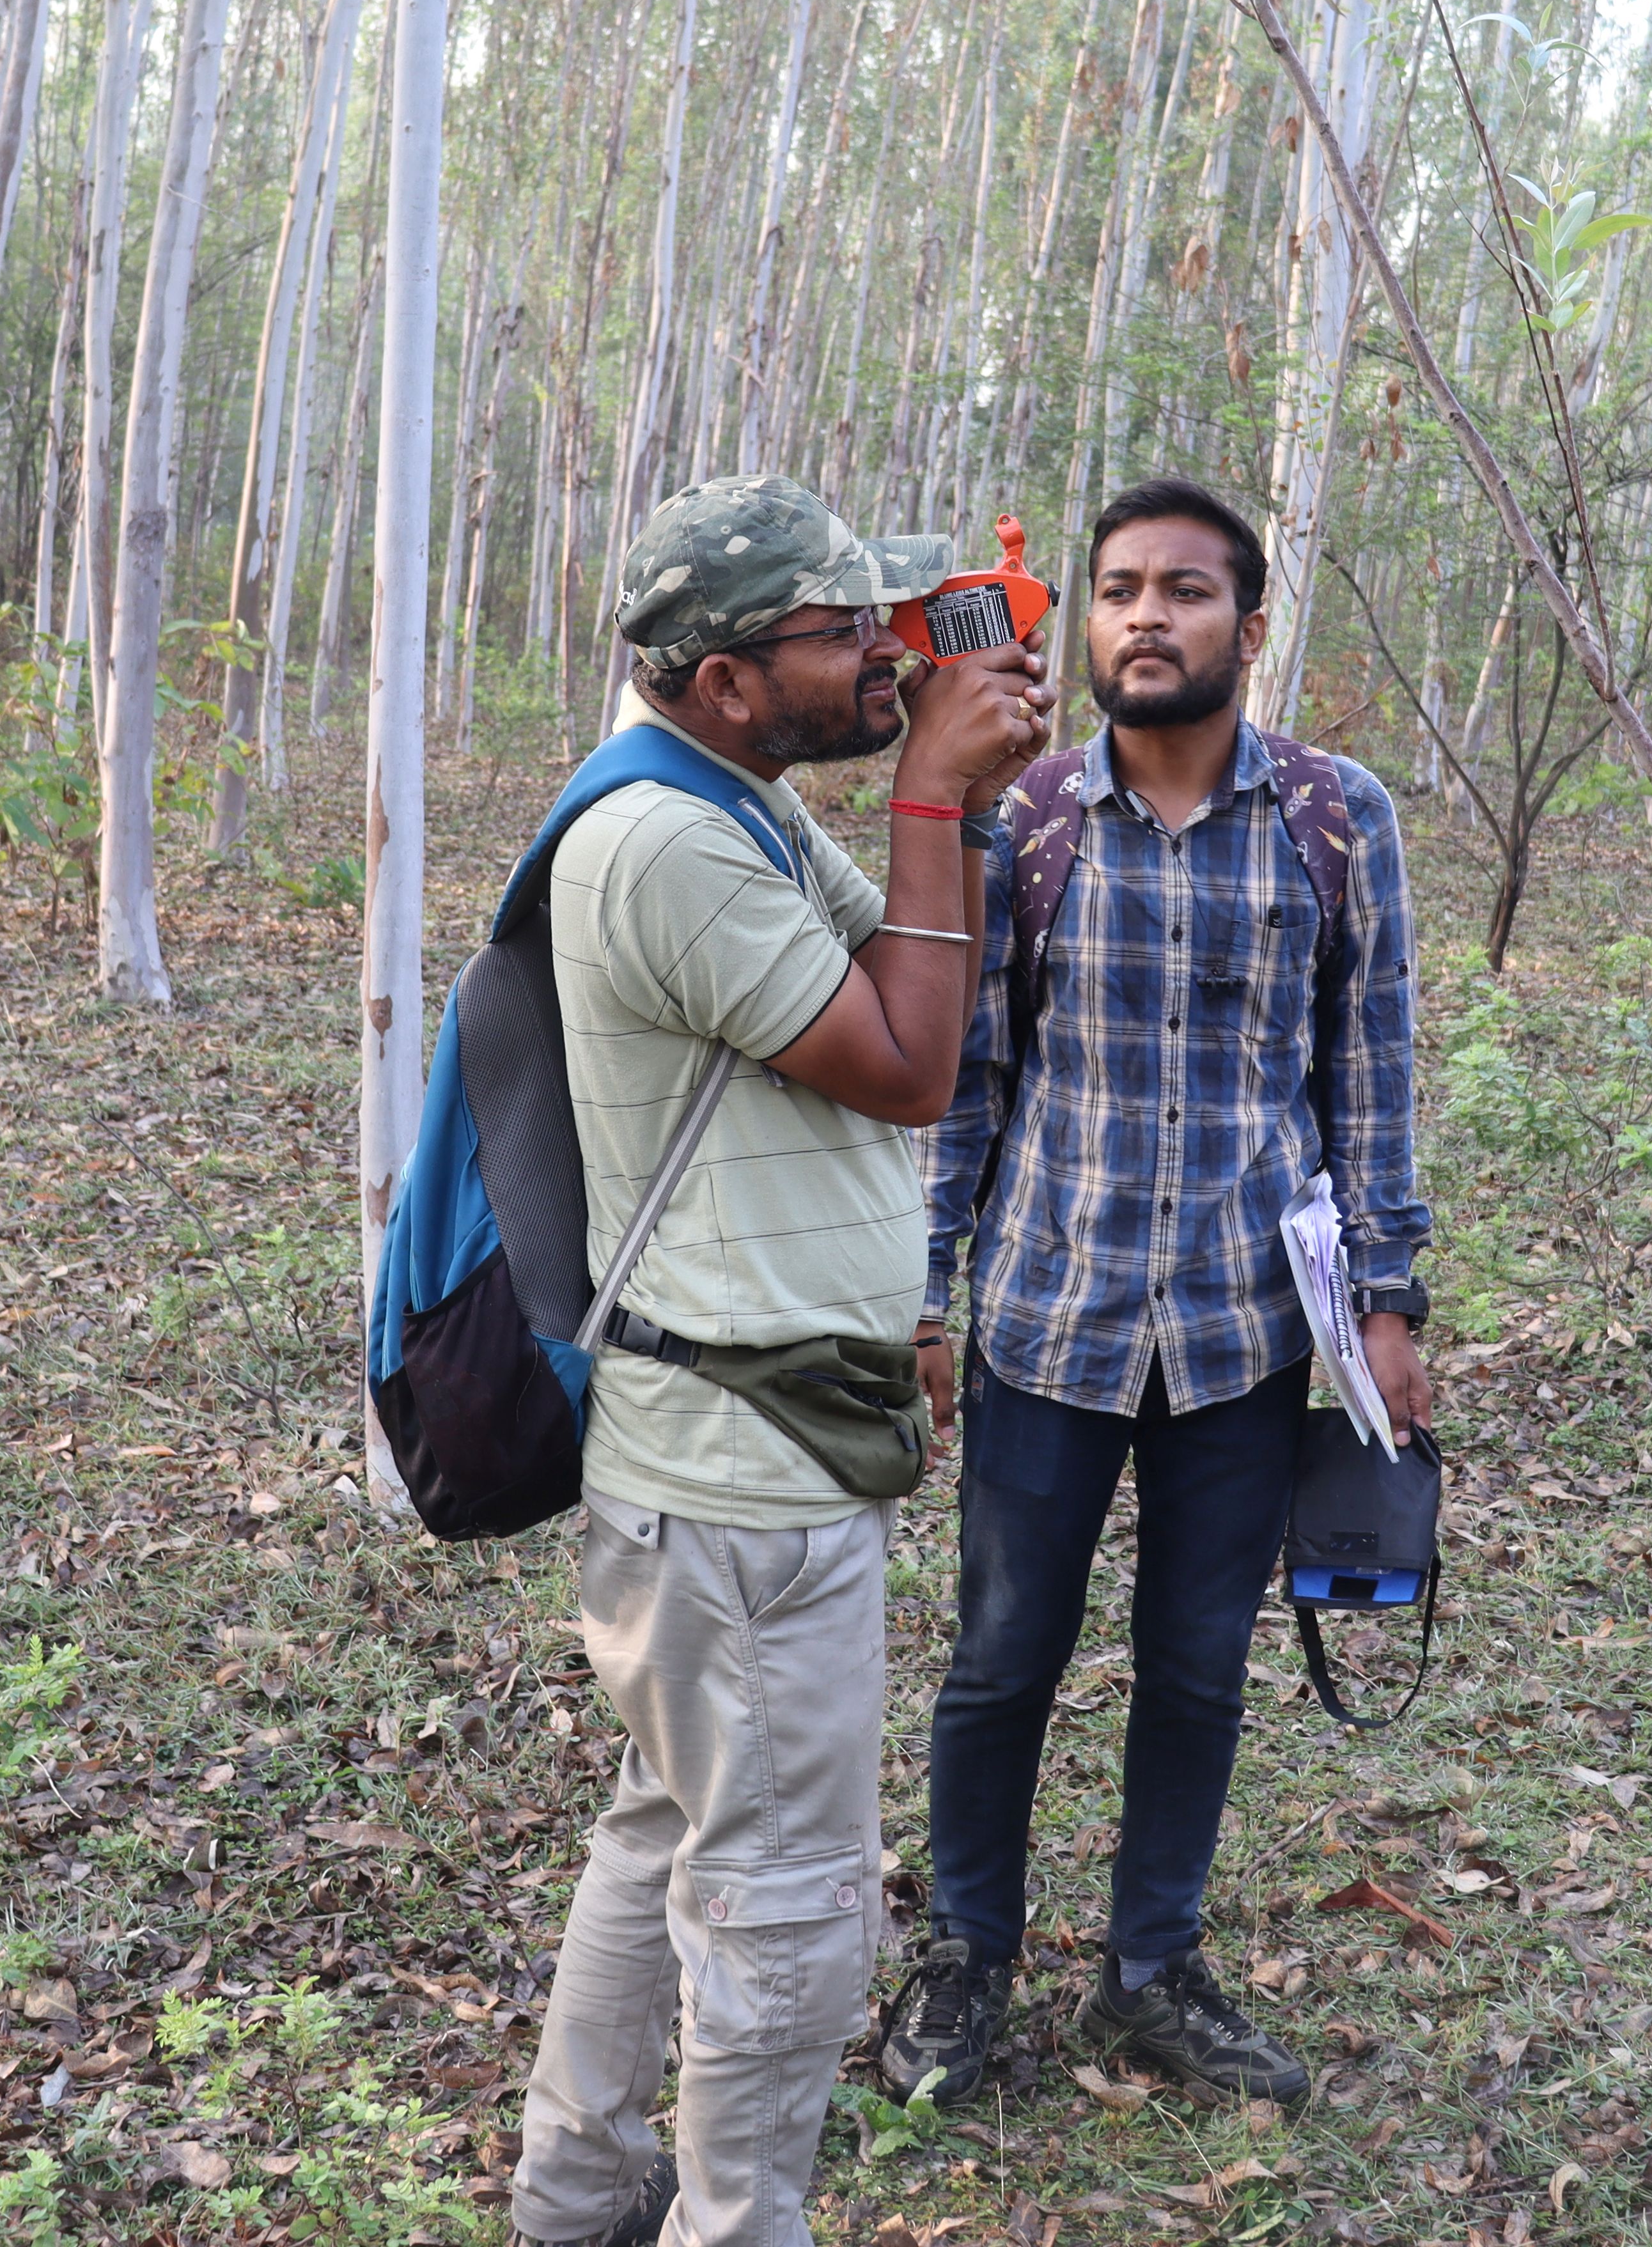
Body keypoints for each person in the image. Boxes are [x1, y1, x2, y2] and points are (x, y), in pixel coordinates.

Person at [509, 474, 1051, 2247]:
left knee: (673, 1828)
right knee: (788, 1898)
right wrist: (929, 788)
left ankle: (578, 2195)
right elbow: (909, 1062)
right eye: (844, 632)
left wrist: (954, 800)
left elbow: (905, 972)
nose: (887, 653)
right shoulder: (665, 840)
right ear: (727, 678)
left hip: (757, 1438)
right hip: (738, 1481)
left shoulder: (732, 800)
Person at [878, 477, 1431, 2110]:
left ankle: (1152, 1967)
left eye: (1185, 590)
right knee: (1002, 1655)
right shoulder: (1029, 818)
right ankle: (967, 1952)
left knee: (1197, 1663)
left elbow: (1372, 1071)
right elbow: (968, 1079)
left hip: (1246, 1333)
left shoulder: (1336, 818)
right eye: (1120, 588)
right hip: (1050, 1314)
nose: (1145, 616)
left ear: (1247, 628)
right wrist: (925, 1294)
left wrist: (1389, 1301)